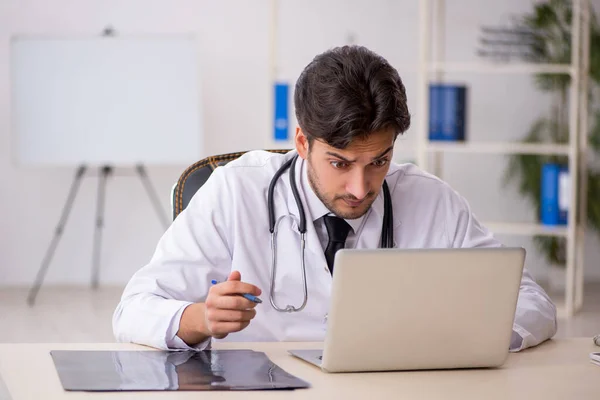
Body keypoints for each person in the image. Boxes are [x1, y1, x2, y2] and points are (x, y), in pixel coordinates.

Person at [113, 45, 557, 352]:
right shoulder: (235, 190)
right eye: (341, 163)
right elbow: (133, 310)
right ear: (303, 143)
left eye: (379, 161)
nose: (361, 188)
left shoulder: (431, 200)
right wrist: (198, 319)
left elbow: (529, 300)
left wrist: (475, 335)